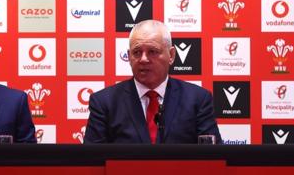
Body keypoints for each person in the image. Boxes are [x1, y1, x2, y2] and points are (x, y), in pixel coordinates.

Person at [84, 20, 222, 144]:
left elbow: (213, 158)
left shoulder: (198, 100)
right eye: (137, 52)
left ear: (171, 55)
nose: (143, 59)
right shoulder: (104, 102)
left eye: (152, 51)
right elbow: (92, 163)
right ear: (129, 56)